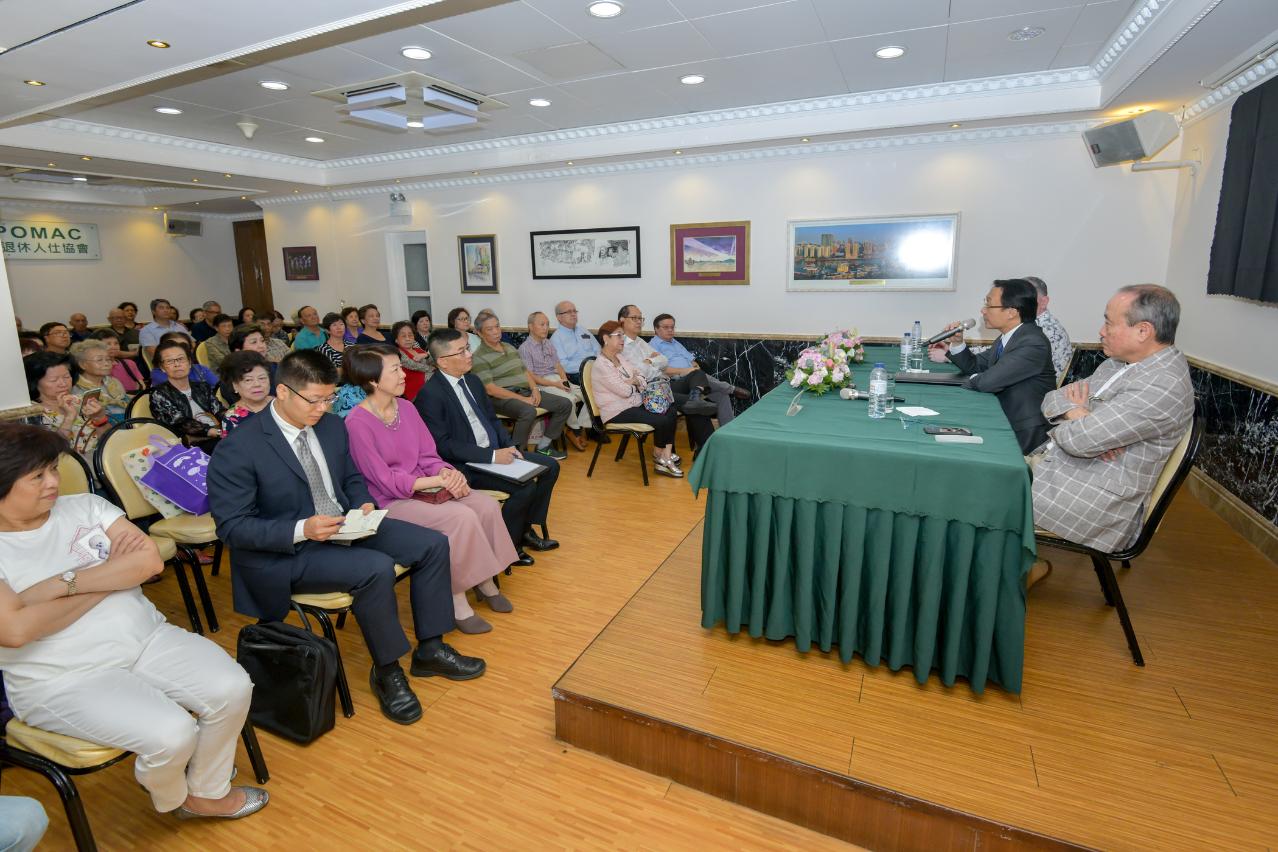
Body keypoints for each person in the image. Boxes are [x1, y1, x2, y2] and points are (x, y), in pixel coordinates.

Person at [0, 424, 267, 821]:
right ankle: (175, 795)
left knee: (232, 687)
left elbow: (149, 562)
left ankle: (206, 790)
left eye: (53, 469)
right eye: (37, 476)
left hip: (146, 639)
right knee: (172, 733)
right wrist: (111, 573)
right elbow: (16, 630)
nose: (53, 482)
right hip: (61, 677)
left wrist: (62, 584)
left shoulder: (86, 507)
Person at [208, 350, 485, 725]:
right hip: (290, 549)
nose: (323, 408)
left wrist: (362, 504)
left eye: (329, 398)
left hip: (343, 526)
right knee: (375, 568)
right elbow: (232, 527)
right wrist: (302, 529)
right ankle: (387, 671)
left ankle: (430, 649)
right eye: (315, 400)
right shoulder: (240, 447)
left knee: (432, 544)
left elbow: (351, 478)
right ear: (283, 392)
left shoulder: (331, 426)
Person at [344, 346, 518, 634]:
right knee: (460, 517)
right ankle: (456, 598)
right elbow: (384, 480)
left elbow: (428, 455)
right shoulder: (357, 423)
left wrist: (446, 472)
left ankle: (484, 580)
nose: (404, 375)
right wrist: (438, 481)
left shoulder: (407, 408)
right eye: (395, 370)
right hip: (390, 500)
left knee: (485, 506)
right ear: (373, 380)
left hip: (426, 485)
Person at [1031, 284, 1193, 556]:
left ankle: (1010, 568)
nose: (1101, 331)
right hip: (1066, 468)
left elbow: (1079, 441)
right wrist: (1077, 414)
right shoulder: (1118, 364)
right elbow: (1052, 399)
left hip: (1091, 497)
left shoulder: (1163, 385)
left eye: (1108, 323)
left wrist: (1082, 420)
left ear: (1143, 331)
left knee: (979, 496)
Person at [418, 329, 560, 565]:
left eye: (467, 348)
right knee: (524, 488)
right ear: (442, 361)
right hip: (468, 463)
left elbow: (492, 420)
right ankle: (510, 547)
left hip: (495, 453)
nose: (469, 354)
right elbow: (443, 445)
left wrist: (509, 447)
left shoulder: (473, 381)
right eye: (461, 351)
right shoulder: (430, 394)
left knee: (550, 467)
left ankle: (525, 528)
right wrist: (492, 456)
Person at [928, 278, 1055, 454]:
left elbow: (987, 382)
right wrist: (957, 342)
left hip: (1022, 432)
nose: (983, 310)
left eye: (989, 304)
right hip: (1003, 419)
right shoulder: (1010, 337)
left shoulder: (1032, 343)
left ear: (1011, 312)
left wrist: (974, 379)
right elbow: (975, 365)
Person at [471, 311, 571, 459]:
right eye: (490, 329)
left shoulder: (509, 347)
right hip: (500, 398)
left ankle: (543, 446)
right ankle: (516, 454)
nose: (496, 331)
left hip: (524, 391)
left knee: (564, 404)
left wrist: (535, 389)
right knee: (528, 411)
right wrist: (523, 399)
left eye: (497, 326)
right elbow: (491, 390)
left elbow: (525, 372)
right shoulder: (478, 357)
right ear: (479, 333)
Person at [617, 305, 715, 453]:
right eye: (634, 318)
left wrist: (650, 361)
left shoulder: (640, 342)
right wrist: (652, 361)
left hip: (662, 384)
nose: (639, 321)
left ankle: (696, 402)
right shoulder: (620, 345)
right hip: (647, 391)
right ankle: (707, 450)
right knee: (697, 406)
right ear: (622, 320)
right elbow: (639, 374)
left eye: (640, 318)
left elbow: (663, 361)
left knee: (697, 374)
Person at [592, 320, 683, 477]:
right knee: (662, 419)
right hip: (616, 411)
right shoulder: (601, 365)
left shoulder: (619, 357)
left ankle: (664, 456)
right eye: (619, 335)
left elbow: (641, 375)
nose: (622, 339)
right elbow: (624, 391)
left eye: (622, 335)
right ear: (606, 338)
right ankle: (662, 459)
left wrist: (633, 381)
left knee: (670, 409)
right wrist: (633, 382)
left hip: (633, 403)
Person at [650, 313, 748, 425]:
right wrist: (685, 371)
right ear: (656, 329)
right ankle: (731, 388)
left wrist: (694, 368)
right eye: (666, 327)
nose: (670, 330)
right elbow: (662, 370)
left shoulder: (675, 343)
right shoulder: (652, 346)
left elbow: (693, 361)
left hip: (693, 379)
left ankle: (727, 429)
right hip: (675, 382)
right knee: (697, 374)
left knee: (722, 394)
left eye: (672, 327)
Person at [22, 351, 109, 462]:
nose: (63, 384)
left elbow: (109, 440)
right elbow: (49, 453)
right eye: (54, 380)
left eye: (66, 377)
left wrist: (100, 418)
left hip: (101, 459)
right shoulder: (31, 413)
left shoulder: (80, 401)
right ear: (34, 383)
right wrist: (69, 418)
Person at [520, 311, 588, 451]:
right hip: (542, 383)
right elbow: (531, 376)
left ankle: (575, 427)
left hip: (557, 379)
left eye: (547, 324)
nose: (546, 328)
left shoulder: (548, 343)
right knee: (569, 400)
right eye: (542, 324)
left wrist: (564, 381)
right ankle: (575, 431)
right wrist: (556, 384)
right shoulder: (525, 348)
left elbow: (558, 365)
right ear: (531, 326)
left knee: (589, 396)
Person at [148, 340, 225, 449]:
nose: (177, 364)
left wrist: (233, 421)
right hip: (191, 443)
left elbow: (219, 410)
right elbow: (181, 423)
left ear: (189, 363)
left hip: (218, 434)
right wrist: (216, 432)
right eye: (169, 361)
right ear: (162, 367)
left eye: (181, 359)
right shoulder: (159, 394)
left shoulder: (202, 386)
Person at [70, 340, 129, 423]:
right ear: (82, 364)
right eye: (99, 360)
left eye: (108, 359)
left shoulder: (114, 382)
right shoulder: (77, 390)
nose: (106, 364)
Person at [218, 351, 273, 434]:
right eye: (248, 380)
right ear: (235, 385)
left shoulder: (281, 403)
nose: (257, 384)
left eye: (262, 378)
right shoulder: (232, 419)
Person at [550, 301, 600, 386]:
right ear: (559, 317)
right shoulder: (556, 338)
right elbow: (563, 365)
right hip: (576, 374)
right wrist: (587, 367)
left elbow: (598, 349)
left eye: (574, 311)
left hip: (597, 367)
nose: (573, 314)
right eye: (569, 312)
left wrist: (599, 364)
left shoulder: (583, 330)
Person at [150, 333, 219, 387]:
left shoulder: (200, 369)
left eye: (184, 346)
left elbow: (218, 387)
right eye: (172, 346)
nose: (178, 349)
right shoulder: (158, 374)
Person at [93, 329, 147, 393]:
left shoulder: (129, 363)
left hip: (136, 397)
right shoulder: (95, 368)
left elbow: (141, 385)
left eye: (116, 343)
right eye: (108, 344)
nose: (113, 347)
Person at [392, 320, 434, 401]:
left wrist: (427, 355)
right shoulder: (398, 353)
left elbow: (435, 361)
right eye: (403, 336)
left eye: (410, 335)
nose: (408, 338)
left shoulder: (419, 350)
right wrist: (432, 369)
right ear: (396, 340)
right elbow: (412, 365)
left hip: (429, 387)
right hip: (415, 394)